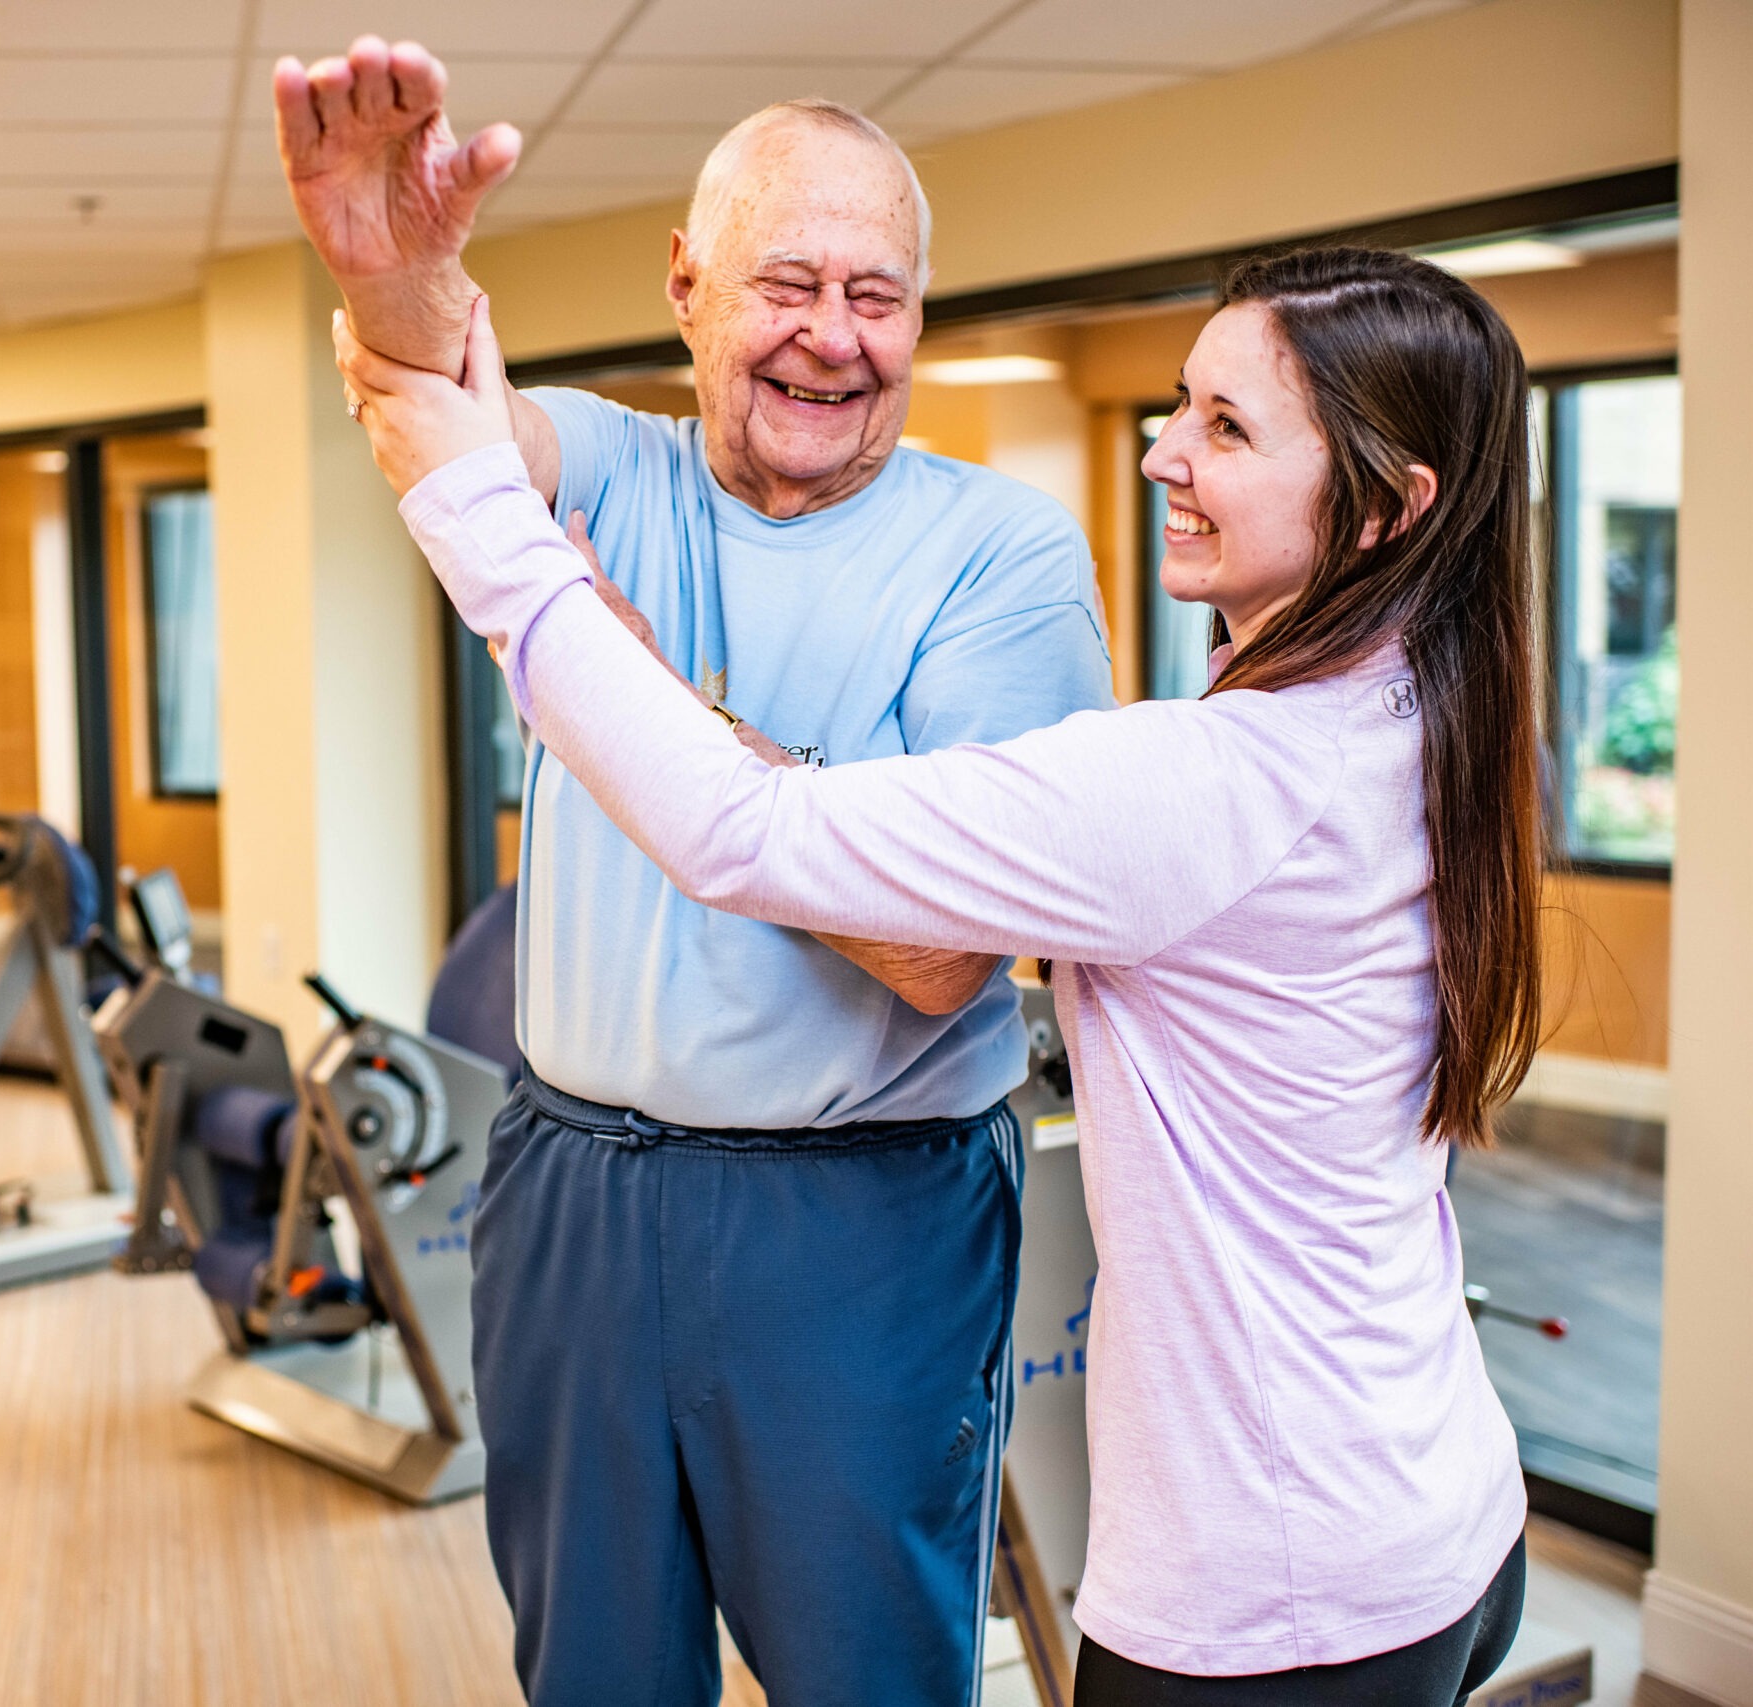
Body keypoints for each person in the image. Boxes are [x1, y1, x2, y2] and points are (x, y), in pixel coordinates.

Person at [337, 245, 1540, 1706]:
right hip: (1438, 1505)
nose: (1163, 451)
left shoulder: (1213, 777)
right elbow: (848, 834)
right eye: (1181, 404)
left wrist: (468, 516)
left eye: (1227, 428)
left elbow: (743, 835)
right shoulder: (1426, 706)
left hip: (1276, 1596)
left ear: (1387, 509)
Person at [275, 40, 1115, 1707]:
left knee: (864, 1675)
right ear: (687, 286)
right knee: (588, 1668)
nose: (832, 334)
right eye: (787, 281)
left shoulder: (1001, 556)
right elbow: (442, 407)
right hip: (571, 1187)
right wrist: (397, 267)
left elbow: (945, 953)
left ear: (921, 318)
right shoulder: (608, 462)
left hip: (859, 1221)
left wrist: (647, 695)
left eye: (877, 294)